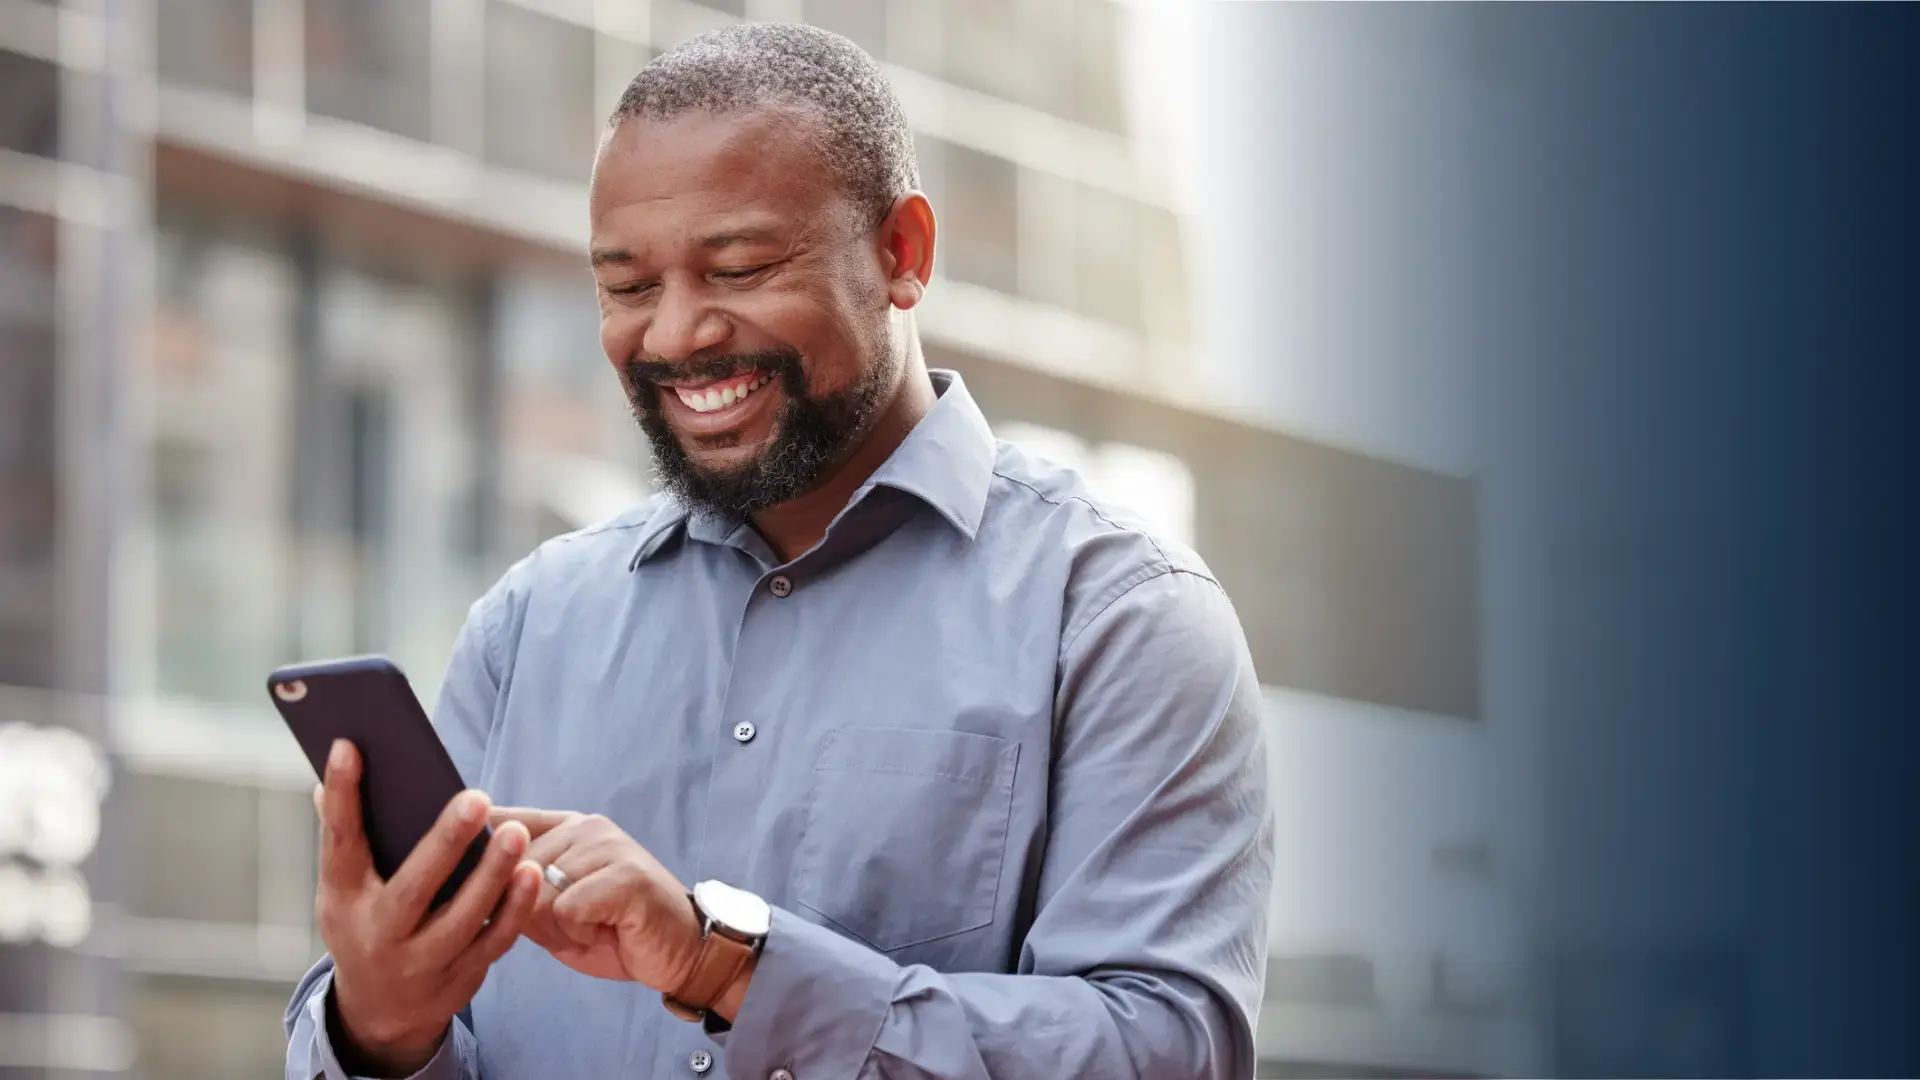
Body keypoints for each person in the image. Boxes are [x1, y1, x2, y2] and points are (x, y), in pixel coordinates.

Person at [284, 22, 1273, 1080]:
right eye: (626, 287)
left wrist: (732, 967)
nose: (673, 336)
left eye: (741, 268)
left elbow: (1170, 1053)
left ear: (903, 254)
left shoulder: (1121, 617)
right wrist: (380, 1027)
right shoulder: (529, 624)